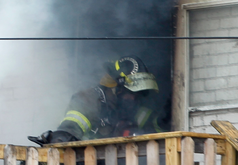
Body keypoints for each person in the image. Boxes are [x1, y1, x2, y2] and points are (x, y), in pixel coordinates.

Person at [29, 56, 166, 145]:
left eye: (138, 94)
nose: (133, 98)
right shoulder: (89, 100)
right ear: (116, 88)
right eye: (130, 93)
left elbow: (158, 132)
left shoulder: (139, 112)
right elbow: (71, 127)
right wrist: (61, 138)